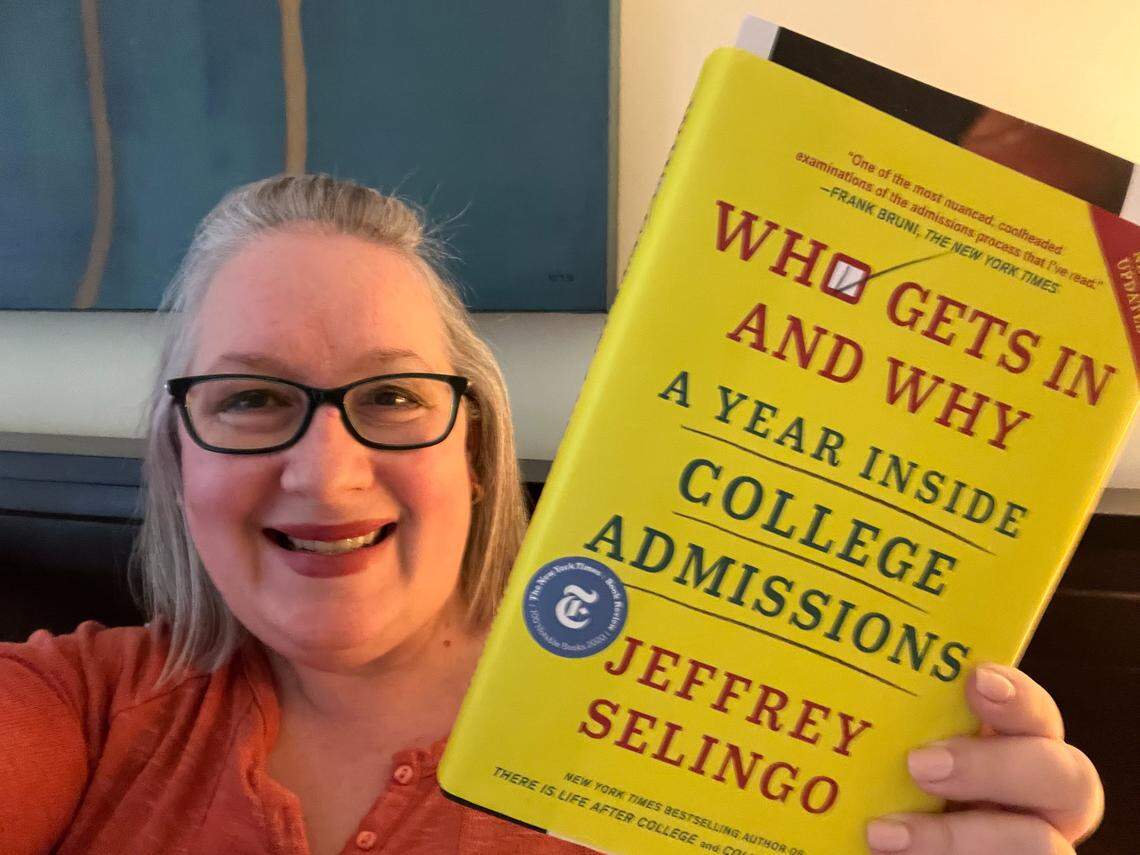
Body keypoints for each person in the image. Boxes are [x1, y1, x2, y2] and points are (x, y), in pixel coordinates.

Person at [0, 175, 1103, 855]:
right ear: (177, 454)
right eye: (249, 400)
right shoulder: (83, 709)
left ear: (475, 455)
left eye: (391, 396)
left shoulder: (695, 735)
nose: (327, 475)